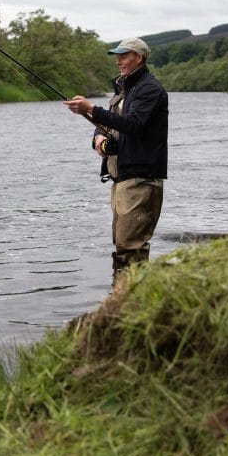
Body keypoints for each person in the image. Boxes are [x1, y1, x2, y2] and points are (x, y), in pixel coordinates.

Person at [64, 37, 168, 278]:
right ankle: (124, 299)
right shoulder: (125, 90)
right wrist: (98, 138)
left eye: (124, 55)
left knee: (129, 247)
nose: (118, 61)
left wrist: (90, 109)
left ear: (138, 58)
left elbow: (132, 124)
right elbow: (109, 124)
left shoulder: (149, 89)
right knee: (123, 244)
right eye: (117, 56)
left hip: (141, 180)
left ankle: (126, 303)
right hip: (123, 179)